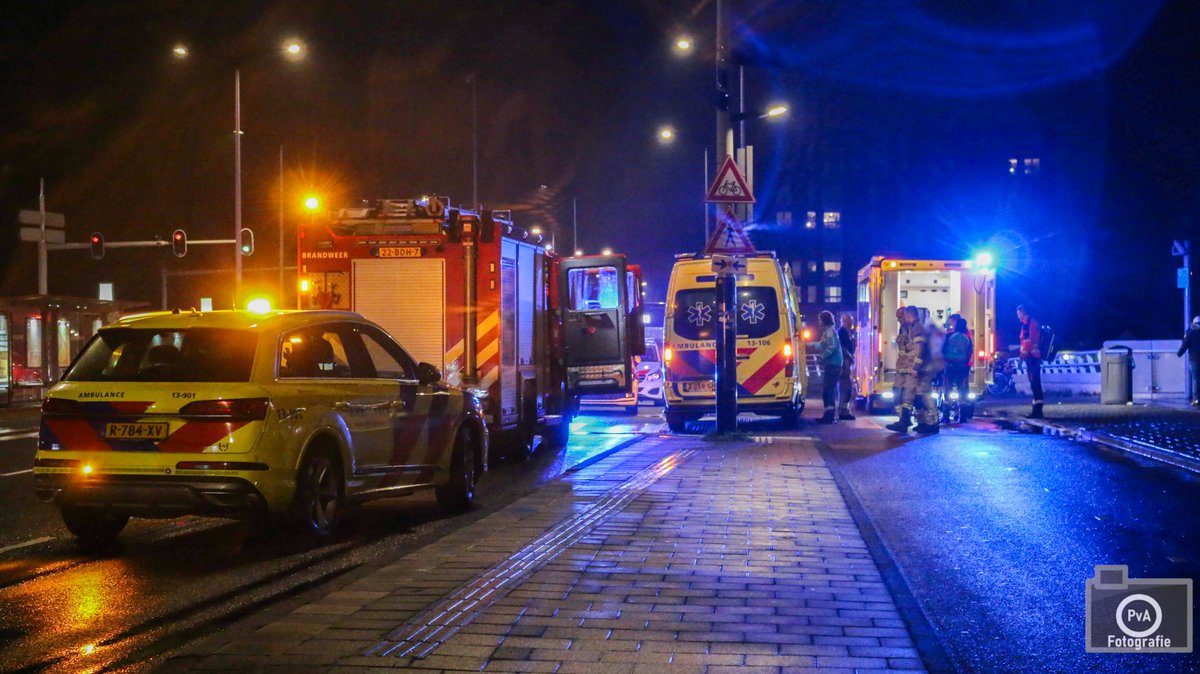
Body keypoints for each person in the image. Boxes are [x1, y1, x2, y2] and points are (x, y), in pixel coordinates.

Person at [886, 307, 919, 432]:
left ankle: (904, 421)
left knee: (908, 397)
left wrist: (915, 367)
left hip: (910, 368)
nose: (898, 320)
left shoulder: (914, 329)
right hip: (902, 367)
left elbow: (917, 350)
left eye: (900, 317)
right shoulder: (903, 328)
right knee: (896, 393)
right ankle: (902, 419)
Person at [810, 310, 843, 424]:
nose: (819, 322)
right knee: (829, 389)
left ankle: (829, 416)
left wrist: (823, 356)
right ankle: (829, 414)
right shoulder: (829, 332)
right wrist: (811, 344)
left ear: (824, 321)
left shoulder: (829, 332)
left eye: (820, 320)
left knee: (828, 389)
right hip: (834, 364)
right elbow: (823, 345)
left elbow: (832, 347)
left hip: (833, 364)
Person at [1017, 305, 1044, 419]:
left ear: (1023, 313)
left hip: (1032, 357)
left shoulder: (1029, 324)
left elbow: (1028, 342)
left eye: (1018, 314)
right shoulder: (1030, 323)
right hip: (1033, 357)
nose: (1018, 317)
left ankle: (1037, 412)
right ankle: (1037, 410)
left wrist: (1022, 356)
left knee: (1035, 383)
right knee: (1035, 383)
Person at [943, 316, 973, 415]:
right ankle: (963, 415)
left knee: (948, 388)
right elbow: (969, 352)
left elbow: (943, 349)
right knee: (962, 390)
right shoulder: (967, 338)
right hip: (962, 367)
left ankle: (946, 413)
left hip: (950, 366)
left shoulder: (949, 336)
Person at [837, 314, 857, 420]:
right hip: (844, 363)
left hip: (846, 362)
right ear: (845, 321)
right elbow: (842, 348)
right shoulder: (842, 333)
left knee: (846, 387)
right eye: (850, 321)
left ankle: (844, 410)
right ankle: (843, 411)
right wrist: (849, 356)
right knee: (846, 387)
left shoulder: (845, 332)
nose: (851, 323)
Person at [1178, 316, 1200, 407]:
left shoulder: (1190, 331)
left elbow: (1185, 343)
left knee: (1195, 379)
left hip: (1194, 358)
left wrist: (1179, 353)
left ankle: (1196, 400)